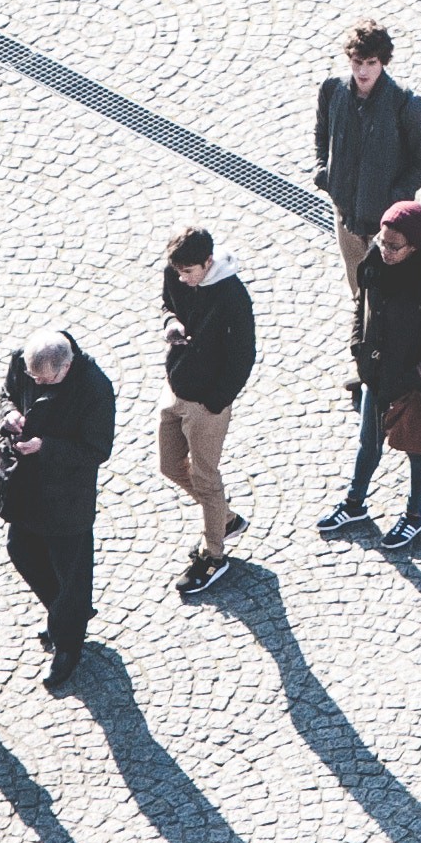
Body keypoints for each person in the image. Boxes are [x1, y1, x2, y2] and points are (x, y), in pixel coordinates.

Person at [319, 202, 421, 549]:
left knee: (418, 453)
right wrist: (356, 347)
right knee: (368, 444)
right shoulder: (373, 265)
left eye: (395, 246)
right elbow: (360, 305)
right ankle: (354, 504)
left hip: (410, 388)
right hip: (375, 378)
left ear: (415, 247)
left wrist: (416, 377)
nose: (385, 250)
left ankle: (413, 517)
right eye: (382, 241)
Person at [0, 330, 118, 689]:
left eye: (44, 380)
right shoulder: (26, 359)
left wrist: (45, 447)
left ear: (66, 367)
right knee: (20, 550)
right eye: (33, 377)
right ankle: (70, 614)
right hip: (25, 486)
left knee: (72, 574)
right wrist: (12, 413)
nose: (36, 383)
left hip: (67, 498)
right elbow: (7, 395)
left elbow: (96, 450)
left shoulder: (94, 389)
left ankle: (69, 644)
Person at [313, 21, 421, 319]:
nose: (363, 72)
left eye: (371, 63)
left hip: (385, 224)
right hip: (346, 216)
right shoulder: (332, 91)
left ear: (383, 61)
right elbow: (322, 133)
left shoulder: (405, 104)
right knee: (359, 292)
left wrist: (397, 196)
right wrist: (324, 172)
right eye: (357, 62)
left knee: (391, 298)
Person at [156, 235, 257, 599]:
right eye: (177, 271)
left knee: (205, 476)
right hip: (176, 387)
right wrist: (170, 321)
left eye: (189, 272)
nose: (182, 278)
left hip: (206, 405)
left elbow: (244, 355)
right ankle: (225, 518)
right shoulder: (177, 274)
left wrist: (216, 401)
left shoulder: (232, 296)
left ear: (208, 262)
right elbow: (168, 303)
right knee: (169, 465)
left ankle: (214, 555)